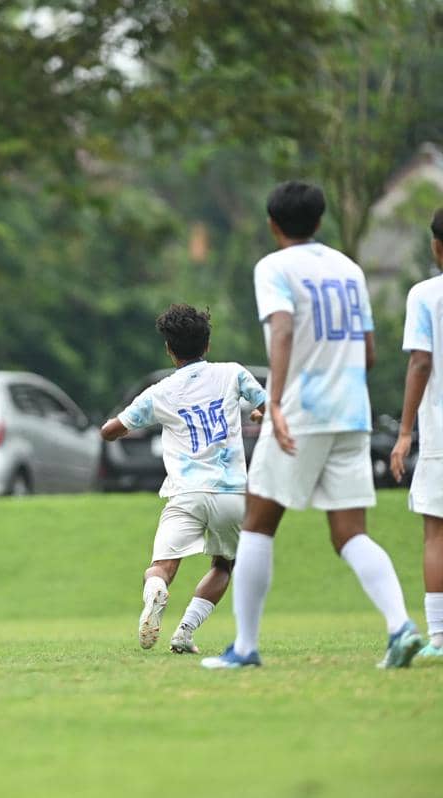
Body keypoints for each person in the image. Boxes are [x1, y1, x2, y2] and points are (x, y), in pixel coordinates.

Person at [201, 181, 423, 670]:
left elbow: (282, 329)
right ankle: (400, 626)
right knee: (350, 532)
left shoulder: (274, 267)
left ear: (272, 224)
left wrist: (275, 401)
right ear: (320, 222)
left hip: (301, 412)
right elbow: (367, 351)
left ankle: (245, 647)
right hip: (352, 412)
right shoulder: (349, 268)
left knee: (258, 523)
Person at [101, 304, 267, 654]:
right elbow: (270, 406)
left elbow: (110, 431)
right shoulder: (232, 373)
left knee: (160, 566)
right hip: (231, 493)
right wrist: (257, 413)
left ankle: (157, 592)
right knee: (223, 565)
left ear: (169, 349)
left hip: (186, 493)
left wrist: (127, 425)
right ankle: (185, 632)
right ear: (207, 345)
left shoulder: (160, 391)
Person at [390, 207, 443, 658]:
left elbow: (421, 362)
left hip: (440, 434)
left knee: (437, 534)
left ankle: (441, 639)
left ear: (436, 245)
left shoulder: (426, 295)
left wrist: (405, 431)